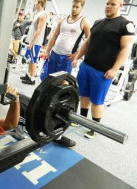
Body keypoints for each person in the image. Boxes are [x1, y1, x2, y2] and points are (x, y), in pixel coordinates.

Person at [72, 0, 135, 138]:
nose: (108, 6)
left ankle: (94, 129)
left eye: (113, 4)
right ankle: (82, 121)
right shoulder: (98, 22)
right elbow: (87, 42)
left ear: (121, 5)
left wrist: (114, 69)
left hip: (103, 71)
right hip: (86, 66)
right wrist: (77, 57)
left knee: (97, 101)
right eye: (107, 3)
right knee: (84, 95)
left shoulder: (125, 25)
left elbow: (126, 49)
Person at [41, 0, 90, 81]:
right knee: (50, 78)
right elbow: (54, 36)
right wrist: (47, 51)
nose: (74, 9)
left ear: (82, 7)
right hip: (54, 53)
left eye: (77, 7)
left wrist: (77, 55)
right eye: (73, 6)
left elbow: (89, 41)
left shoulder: (84, 22)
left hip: (67, 57)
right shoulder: (63, 19)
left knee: (63, 80)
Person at [19, 0, 48, 85]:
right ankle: (28, 75)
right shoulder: (37, 13)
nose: (34, 3)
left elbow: (39, 31)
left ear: (40, 3)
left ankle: (32, 79)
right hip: (31, 41)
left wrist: (32, 42)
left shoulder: (42, 15)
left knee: (33, 60)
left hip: (35, 42)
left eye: (36, 2)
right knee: (30, 59)